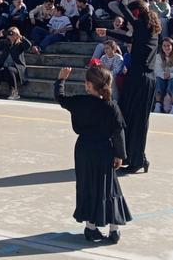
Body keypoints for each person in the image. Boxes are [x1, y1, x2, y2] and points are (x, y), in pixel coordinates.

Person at [55, 65, 131, 244]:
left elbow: (60, 98)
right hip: (104, 150)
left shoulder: (79, 102)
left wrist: (61, 80)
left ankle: (90, 227)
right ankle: (114, 229)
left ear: (89, 85)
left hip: (84, 150)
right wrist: (119, 155)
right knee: (109, 187)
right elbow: (118, 132)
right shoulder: (111, 106)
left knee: (87, 186)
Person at [96, 0, 160, 174]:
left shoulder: (142, 26)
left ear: (137, 13)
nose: (129, 24)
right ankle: (133, 157)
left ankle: (138, 160)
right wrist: (108, 32)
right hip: (139, 78)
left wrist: (121, 0)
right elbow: (131, 39)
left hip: (141, 79)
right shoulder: (146, 30)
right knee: (128, 117)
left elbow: (127, 14)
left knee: (137, 120)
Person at [152, 38, 173, 114]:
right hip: (162, 78)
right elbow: (157, 71)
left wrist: (170, 75)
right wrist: (164, 75)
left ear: (172, 46)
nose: (166, 47)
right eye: (164, 46)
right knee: (158, 80)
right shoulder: (158, 57)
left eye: (168, 45)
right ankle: (158, 104)